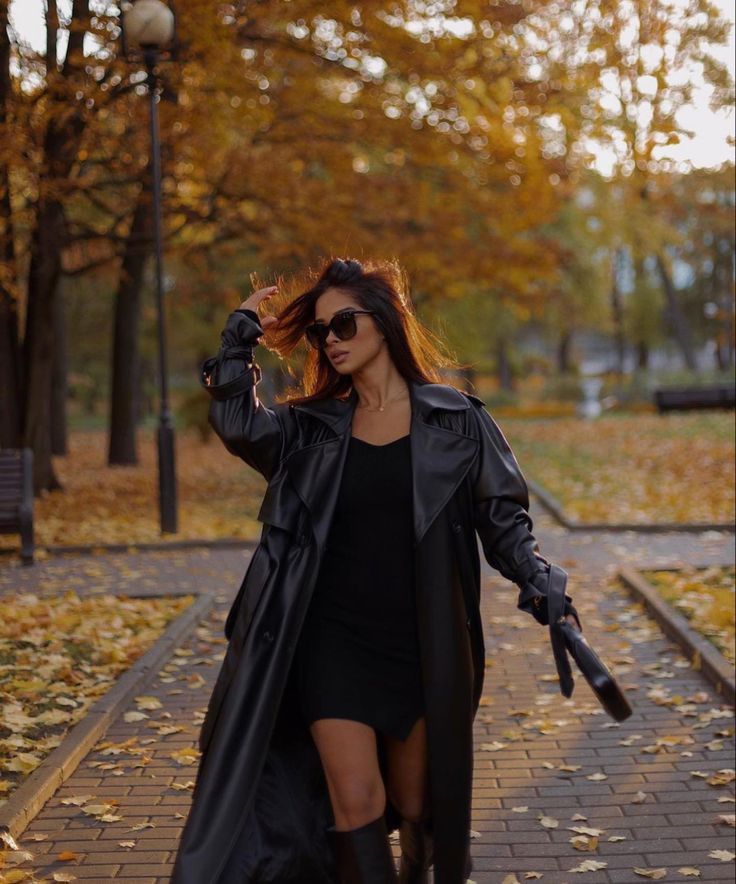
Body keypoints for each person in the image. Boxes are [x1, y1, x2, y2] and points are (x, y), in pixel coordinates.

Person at [171, 257, 582, 884]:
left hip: (421, 648)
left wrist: (539, 579)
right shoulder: (307, 431)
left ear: (385, 322)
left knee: (417, 804)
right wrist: (238, 336)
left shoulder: (457, 421)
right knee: (356, 803)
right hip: (330, 643)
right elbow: (236, 423)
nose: (330, 340)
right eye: (319, 332)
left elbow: (502, 520)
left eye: (343, 324)